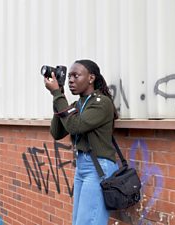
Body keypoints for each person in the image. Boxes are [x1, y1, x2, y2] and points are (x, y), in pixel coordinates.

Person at [44, 59, 119, 225]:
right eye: (69, 76)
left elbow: (75, 126)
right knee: (79, 222)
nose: (71, 80)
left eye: (75, 75)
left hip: (98, 167)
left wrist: (58, 95)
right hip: (82, 167)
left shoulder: (101, 103)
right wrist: (58, 95)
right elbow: (57, 133)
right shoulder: (77, 104)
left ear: (91, 78)